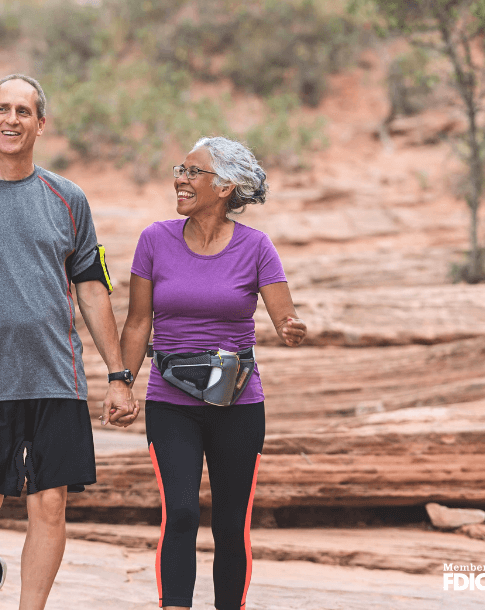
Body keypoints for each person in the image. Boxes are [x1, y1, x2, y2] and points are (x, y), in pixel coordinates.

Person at [0, 74, 137, 610]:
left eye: (24, 111)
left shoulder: (68, 198)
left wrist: (117, 376)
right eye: (2, 109)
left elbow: (92, 289)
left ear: (41, 124)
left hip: (56, 377)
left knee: (50, 506)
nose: (12, 119)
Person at [119, 136, 306, 610]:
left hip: (237, 403)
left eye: (192, 172)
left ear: (224, 187)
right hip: (170, 400)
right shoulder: (154, 240)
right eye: (179, 169)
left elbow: (283, 313)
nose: (180, 179)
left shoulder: (256, 247)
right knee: (179, 513)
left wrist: (290, 328)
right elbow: (139, 322)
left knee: (230, 524)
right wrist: (120, 382)